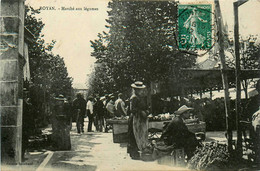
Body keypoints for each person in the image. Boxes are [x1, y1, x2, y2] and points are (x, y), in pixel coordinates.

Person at [127, 81, 149, 159]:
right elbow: (132, 109)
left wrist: (146, 111)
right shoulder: (134, 97)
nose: (141, 91)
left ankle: (137, 151)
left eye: (142, 90)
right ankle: (133, 153)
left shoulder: (141, 97)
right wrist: (141, 112)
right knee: (133, 135)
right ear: (136, 90)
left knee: (139, 135)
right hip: (135, 118)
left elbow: (144, 107)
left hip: (140, 118)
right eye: (140, 90)